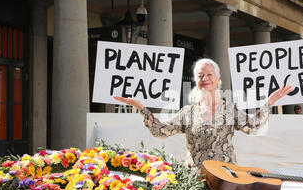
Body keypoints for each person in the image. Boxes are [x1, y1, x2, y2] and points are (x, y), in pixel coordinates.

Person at [114, 58, 293, 171]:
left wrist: (269, 103)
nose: (205, 79)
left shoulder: (230, 109)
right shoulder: (188, 112)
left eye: (209, 74)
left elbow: (254, 127)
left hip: (227, 177)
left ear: (218, 80)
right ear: (196, 81)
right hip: (195, 178)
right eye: (200, 76)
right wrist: (141, 108)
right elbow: (160, 131)